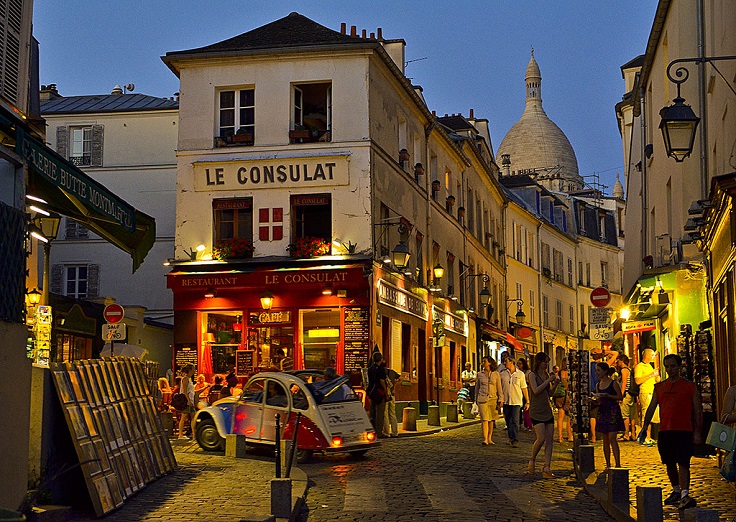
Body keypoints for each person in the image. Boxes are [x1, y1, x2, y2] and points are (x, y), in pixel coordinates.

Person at [639, 353, 702, 510]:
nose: (670, 369)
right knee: (669, 462)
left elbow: (698, 410)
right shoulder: (660, 387)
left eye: (673, 366)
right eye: (667, 366)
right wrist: (645, 427)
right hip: (665, 430)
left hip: (684, 430)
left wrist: (697, 432)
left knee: (683, 462)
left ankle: (685, 494)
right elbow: (652, 406)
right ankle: (676, 490)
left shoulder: (689, 386)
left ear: (679, 367)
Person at [527, 352, 558, 478]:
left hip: (547, 409)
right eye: (545, 362)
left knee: (550, 439)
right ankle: (532, 459)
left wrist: (555, 384)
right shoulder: (532, 375)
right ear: (539, 362)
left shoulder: (546, 375)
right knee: (541, 438)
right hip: (536, 410)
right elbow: (536, 390)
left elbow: (549, 393)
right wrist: (548, 381)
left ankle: (547, 467)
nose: (546, 364)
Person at [594, 362, 624, 470]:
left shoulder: (613, 383)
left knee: (612, 437)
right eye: (596, 370)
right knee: (605, 439)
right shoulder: (598, 385)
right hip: (603, 411)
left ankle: (617, 463)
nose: (597, 373)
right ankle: (607, 464)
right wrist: (593, 400)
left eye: (599, 370)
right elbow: (598, 400)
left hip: (612, 411)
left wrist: (609, 396)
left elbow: (620, 396)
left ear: (605, 371)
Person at [500, 357, 529, 447]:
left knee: (515, 421)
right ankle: (511, 438)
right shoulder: (502, 374)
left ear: (512, 362)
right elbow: (500, 388)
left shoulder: (520, 374)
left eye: (506, 361)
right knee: (508, 421)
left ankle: (515, 439)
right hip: (506, 401)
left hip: (516, 401)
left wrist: (527, 401)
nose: (504, 363)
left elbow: (524, 388)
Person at [475, 356, 504, 445]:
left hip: (493, 398)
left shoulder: (496, 374)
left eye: (485, 361)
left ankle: (489, 438)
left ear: (490, 363)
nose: (483, 363)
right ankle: (485, 439)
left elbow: (499, 387)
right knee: (484, 419)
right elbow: (477, 387)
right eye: (482, 361)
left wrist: (501, 399)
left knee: (491, 419)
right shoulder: (480, 374)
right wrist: (475, 399)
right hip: (482, 398)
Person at [635, 347, 660, 445]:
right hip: (645, 393)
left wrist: (656, 376)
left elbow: (656, 380)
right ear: (648, 355)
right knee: (646, 415)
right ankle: (645, 437)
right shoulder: (640, 366)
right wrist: (650, 375)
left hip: (652, 392)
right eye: (653, 355)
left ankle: (649, 437)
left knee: (653, 416)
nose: (654, 357)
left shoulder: (650, 366)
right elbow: (638, 380)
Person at [615, 354, 638, 441]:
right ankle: (633, 434)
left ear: (622, 361)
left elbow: (624, 383)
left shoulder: (624, 370)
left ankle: (626, 434)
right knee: (632, 415)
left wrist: (620, 395)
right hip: (631, 395)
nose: (618, 362)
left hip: (626, 395)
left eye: (619, 361)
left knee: (625, 415)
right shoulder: (629, 370)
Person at [367, 352, 387, 437]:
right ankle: (379, 432)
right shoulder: (381, 369)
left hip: (371, 392)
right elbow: (382, 382)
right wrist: (386, 392)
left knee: (372, 413)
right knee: (380, 413)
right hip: (379, 392)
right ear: (381, 359)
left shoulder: (370, 369)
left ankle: (372, 430)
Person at [553, 361, 574, 443]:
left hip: (559, 396)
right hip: (567, 395)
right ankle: (570, 435)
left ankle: (560, 436)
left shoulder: (560, 373)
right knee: (569, 417)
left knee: (560, 416)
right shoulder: (571, 373)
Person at [177, 363, 196, 440]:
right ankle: (180, 434)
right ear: (190, 370)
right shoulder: (185, 379)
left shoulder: (189, 379)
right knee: (184, 417)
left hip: (190, 400)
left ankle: (194, 434)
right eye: (194, 368)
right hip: (187, 401)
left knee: (193, 417)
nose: (195, 370)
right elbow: (184, 391)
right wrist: (189, 401)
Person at [517, 357, 534, 431]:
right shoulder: (516, 372)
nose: (518, 365)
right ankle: (520, 423)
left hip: (526, 391)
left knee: (526, 409)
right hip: (518, 392)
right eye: (517, 364)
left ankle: (528, 424)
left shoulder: (528, 372)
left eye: (520, 363)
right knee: (519, 409)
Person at [383, 365, 400, 438]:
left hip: (386, 395)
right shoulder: (392, 372)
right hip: (392, 395)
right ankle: (395, 432)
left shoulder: (381, 372)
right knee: (392, 414)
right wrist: (394, 387)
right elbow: (400, 378)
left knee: (385, 414)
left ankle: (386, 432)